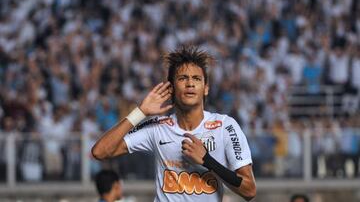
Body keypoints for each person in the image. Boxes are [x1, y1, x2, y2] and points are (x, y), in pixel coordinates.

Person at [92, 46, 256, 201]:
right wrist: (140, 112)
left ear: (206, 88)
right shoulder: (158, 127)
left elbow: (249, 191)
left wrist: (207, 160)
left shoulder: (225, 126)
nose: (190, 83)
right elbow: (100, 152)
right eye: (183, 78)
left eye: (196, 78)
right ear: (171, 88)